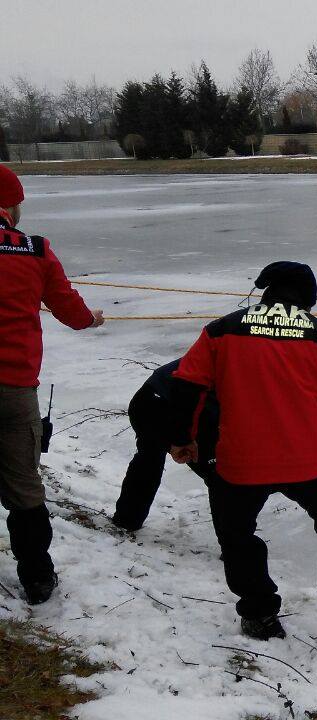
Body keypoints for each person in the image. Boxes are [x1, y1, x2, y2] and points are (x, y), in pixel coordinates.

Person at [168, 261, 317, 643]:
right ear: (309, 297)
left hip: (240, 462)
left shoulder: (223, 330)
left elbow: (186, 386)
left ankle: (259, 613)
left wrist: (183, 437)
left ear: (266, 290)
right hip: (311, 462)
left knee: (237, 534)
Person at [0, 164, 105, 604]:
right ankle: (38, 579)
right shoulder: (35, 249)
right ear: (12, 204)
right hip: (13, 388)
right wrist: (91, 319)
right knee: (24, 488)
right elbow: (68, 308)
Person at [111, 360, 317, 532]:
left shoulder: (276, 368)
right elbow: (299, 409)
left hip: (175, 401)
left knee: (160, 458)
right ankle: (233, 547)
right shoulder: (265, 369)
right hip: (157, 402)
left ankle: (127, 520)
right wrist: (180, 437)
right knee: (218, 471)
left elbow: (301, 408)